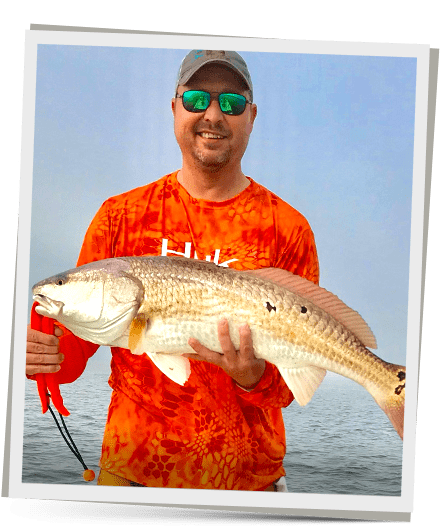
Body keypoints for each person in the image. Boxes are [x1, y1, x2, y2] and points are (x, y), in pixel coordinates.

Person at [26, 50, 319, 491]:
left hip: (248, 486)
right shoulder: (119, 216)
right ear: (175, 107)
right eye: (197, 99)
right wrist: (44, 356)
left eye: (232, 103)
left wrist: (252, 375)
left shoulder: (288, 229)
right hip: (130, 474)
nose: (214, 115)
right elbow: (75, 354)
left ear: (252, 116)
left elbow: (294, 383)